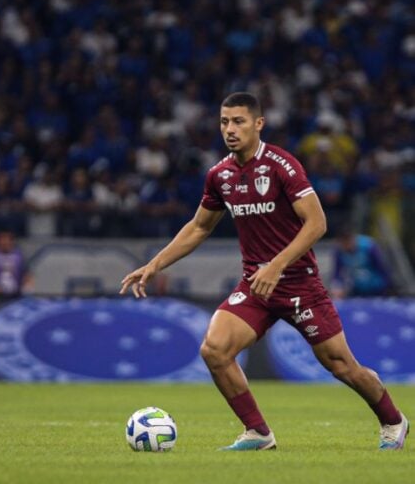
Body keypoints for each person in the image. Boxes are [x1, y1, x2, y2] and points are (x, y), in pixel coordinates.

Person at [120, 92, 408, 451]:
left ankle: (393, 421)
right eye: (224, 122)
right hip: (256, 286)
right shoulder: (219, 175)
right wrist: (154, 265)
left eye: (239, 121)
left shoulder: (282, 166)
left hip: (299, 284)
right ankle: (258, 432)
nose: (230, 129)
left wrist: (277, 264)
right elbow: (198, 227)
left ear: (258, 124)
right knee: (215, 349)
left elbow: (317, 223)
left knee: (342, 366)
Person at [331, 225, 393, 298]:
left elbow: (383, 267)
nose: (347, 246)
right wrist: (337, 287)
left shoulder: (369, 246)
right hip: (358, 290)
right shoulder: (339, 251)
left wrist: (388, 287)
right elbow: (337, 273)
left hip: (377, 289)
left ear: (353, 238)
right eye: (343, 243)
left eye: (348, 242)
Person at [0, 229, 34, 297]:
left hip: (16, 296)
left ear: (12, 241)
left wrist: (26, 288)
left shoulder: (21, 257)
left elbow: (28, 277)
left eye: (7, 239)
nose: (4, 242)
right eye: (2, 239)